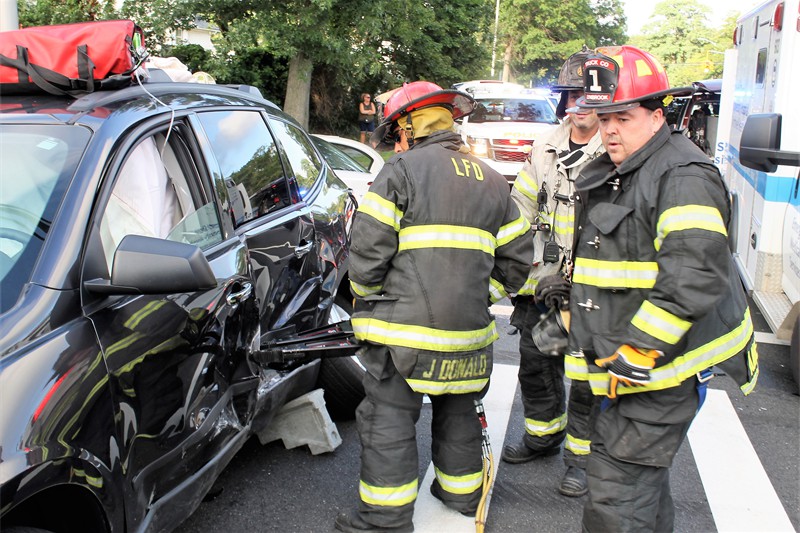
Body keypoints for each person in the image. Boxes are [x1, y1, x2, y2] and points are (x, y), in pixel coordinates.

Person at [566, 45, 759, 531]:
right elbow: (628, 256)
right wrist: (568, 289)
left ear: (657, 116)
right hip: (634, 369)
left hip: (655, 370)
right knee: (640, 495)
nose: (609, 129)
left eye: (623, 117)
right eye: (603, 116)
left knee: (616, 499)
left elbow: (694, 272)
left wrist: (640, 348)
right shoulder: (632, 166)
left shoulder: (681, 175)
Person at [335, 81, 533, 532]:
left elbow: (367, 251)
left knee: (388, 420)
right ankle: (462, 495)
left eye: (396, 133)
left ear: (408, 126)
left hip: (402, 337)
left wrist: (368, 302)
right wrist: (480, 297)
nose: (395, 143)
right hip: (469, 335)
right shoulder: (491, 180)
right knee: (459, 413)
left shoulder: (400, 171)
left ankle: (384, 521)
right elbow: (518, 262)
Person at [502, 47, 605, 499]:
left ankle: (582, 461)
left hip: (592, 291)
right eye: (571, 94)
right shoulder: (545, 145)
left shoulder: (617, 147)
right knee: (537, 364)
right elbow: (521, 207)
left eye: (587, 94)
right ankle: (543, 437)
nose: (579, 103)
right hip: (542, 287)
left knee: (586, 378)